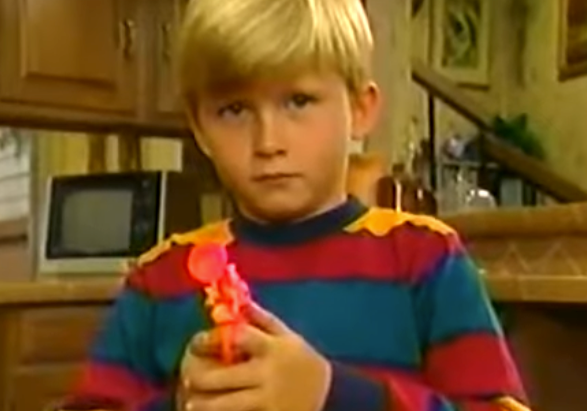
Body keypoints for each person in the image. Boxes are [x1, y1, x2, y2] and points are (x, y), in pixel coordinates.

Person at [58, 0, 531, 410]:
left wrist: (333, 394)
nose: (268, 142)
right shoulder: (160, 278)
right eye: (234, 110)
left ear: (360, 109)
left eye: (299, 101)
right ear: (200, 128)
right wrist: (182, 404)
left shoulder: (425, 259)